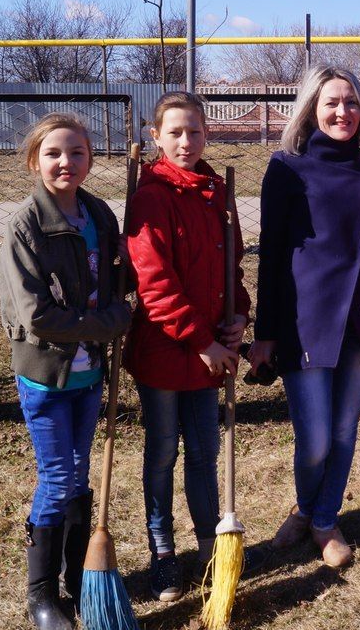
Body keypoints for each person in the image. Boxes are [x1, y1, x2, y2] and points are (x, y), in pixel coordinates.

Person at [249, 65, 360, 569]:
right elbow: (270, 254)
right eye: (332, 102)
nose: (343, 112)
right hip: (306, 318)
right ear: (311, 107)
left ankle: (324, 517)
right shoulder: (286, 167)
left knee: (344, 431)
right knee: (313, 439)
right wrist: (264, 333)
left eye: (352, 103)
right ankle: (304, 506)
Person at [0, 113, 132, 630]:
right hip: (47, 375)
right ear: (35, 160)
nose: (66, 162)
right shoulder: (25, 227)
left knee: (79, 478)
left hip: (88, 375)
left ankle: (80, 582)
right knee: (57, 478)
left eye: (77, 153)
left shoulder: (98, 215)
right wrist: (111, 323)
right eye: (54, 153)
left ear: (90, 159)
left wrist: (126, 266)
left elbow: (112, 282)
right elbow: (36, 314)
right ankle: (41, 596)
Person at [124, 91, 250, 601]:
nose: (185, 141)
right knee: (161, 454)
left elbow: (231, 265)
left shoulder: (217, 190)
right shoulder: (151, 195)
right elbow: (153, 283)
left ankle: (207, 545)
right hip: (165, 351)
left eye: (194, 131)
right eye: (174, 132)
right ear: (156, 137)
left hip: (211, 353)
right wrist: (200, 342)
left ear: (206, 133)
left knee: (204, 451)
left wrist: (238, 314)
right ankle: (163, 553)